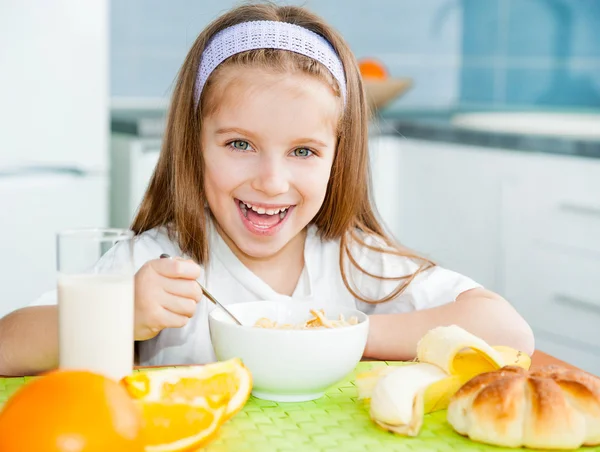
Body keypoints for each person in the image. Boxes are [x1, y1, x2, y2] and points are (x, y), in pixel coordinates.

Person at [0, 2, 534, 376]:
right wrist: (122, 313)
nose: (271, 181)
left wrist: (336, 337)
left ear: (336, 158)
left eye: (303, 151)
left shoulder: (353, 262)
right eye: (239, 144)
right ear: (194, 144)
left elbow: (508, 332)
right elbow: (7, 346)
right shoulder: (159, 262)